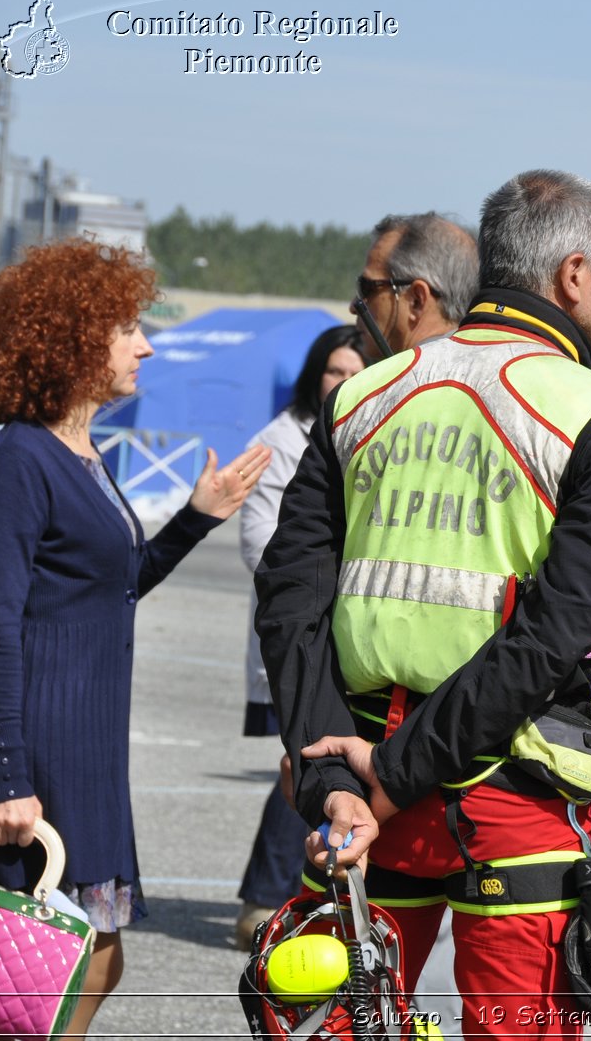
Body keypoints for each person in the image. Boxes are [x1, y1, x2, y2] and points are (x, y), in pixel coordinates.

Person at [255, 169, 591, 1035]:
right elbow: (555, 638)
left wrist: (334, 778)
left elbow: (291, 597)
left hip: (358, 791)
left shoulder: (364, 393)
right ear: (574, 274)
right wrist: (389, 779)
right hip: (512, 795)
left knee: (337, 1022)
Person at [0, 237, 270, 1033]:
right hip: (42, 744)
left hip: (89, 745)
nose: (145, 345)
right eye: (124, 329)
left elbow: (119, 583)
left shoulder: (82, 453)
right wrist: (4, 773)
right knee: (54, 957)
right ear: (71, 338)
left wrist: (197, 516)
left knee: (86, 955)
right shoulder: (20, 460)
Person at [233, 324, 368, 948]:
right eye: (333, 371)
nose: (342, 382)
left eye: (352, 371)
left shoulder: (371, 425)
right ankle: (265, 901)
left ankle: (291, 901)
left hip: (351, 636)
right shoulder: (284, 437)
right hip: (305, 629)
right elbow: (263, 537)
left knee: (314, 770)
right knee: (301, 765)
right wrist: (327, 575)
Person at [352, 211, 479, 354]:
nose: (353, 307)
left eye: (367, 287)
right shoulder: (496, 368)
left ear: (416, 300)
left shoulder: (402, 376)